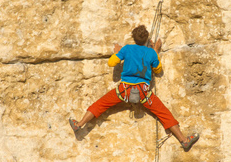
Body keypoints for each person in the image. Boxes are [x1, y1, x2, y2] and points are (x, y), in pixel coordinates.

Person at [69, 25, 199, 150]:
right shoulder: (151, 53)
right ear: (147, 39)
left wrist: (117, 52)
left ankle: (79, 124)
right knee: (163, 113)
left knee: (100, 104)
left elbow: (111, 63)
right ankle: (183, 140)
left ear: (133, 38)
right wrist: (155, 52)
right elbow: (158, 70)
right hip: (143, 93)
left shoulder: (127, 49)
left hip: (124, 90)